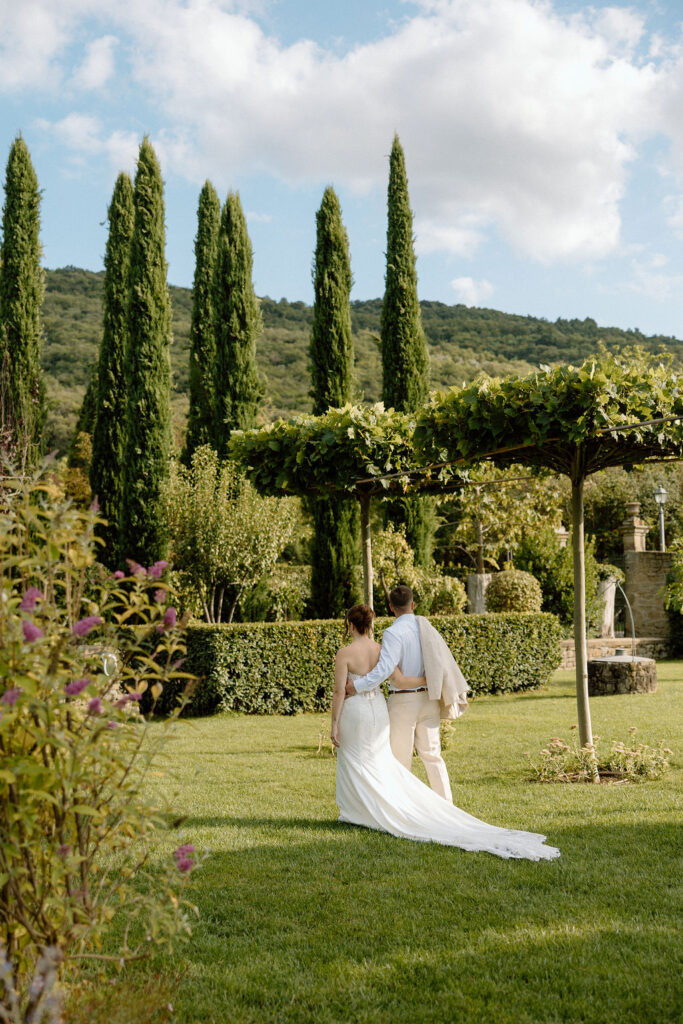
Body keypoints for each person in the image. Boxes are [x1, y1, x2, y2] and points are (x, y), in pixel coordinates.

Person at [331, 601, 560, 860]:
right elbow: (396, 678)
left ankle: (361, 811)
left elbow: (340, 691)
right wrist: (431, 680)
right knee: (383, 759)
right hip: (379, 710)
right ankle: (398, 806)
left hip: (358, 711)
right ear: (370, 624)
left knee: (363, 759)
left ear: (351, 624)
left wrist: (334, 722)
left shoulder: (345, 653)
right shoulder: (381, 648)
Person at [345, 584, 465, 801]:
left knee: (400, 759)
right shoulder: (426, 628)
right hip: (429, 698)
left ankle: (403, 809)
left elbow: (383, 670)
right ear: (413, 604)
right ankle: (447, 805)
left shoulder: (393, 633)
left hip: (403, 702)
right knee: (433, 755)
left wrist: (357, 685)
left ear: (391, 607)